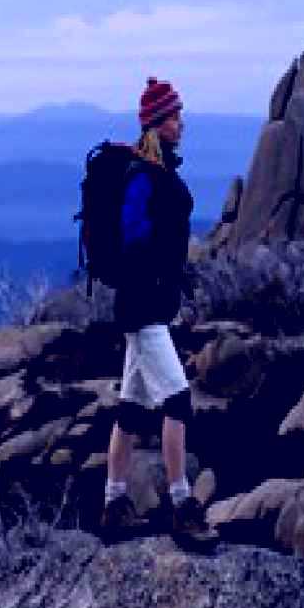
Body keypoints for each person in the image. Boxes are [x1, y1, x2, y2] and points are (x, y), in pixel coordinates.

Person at [100, 76, 206, 536]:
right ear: (157, 123)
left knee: (130, 409)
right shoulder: (144, 176)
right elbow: (134, 238)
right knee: (179, 401)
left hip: (147, 308)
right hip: (143, 312)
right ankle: (182, 506)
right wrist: (157, 273)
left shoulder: (158, 172)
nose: (181, 123)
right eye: (175, 116)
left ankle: (113, 504)